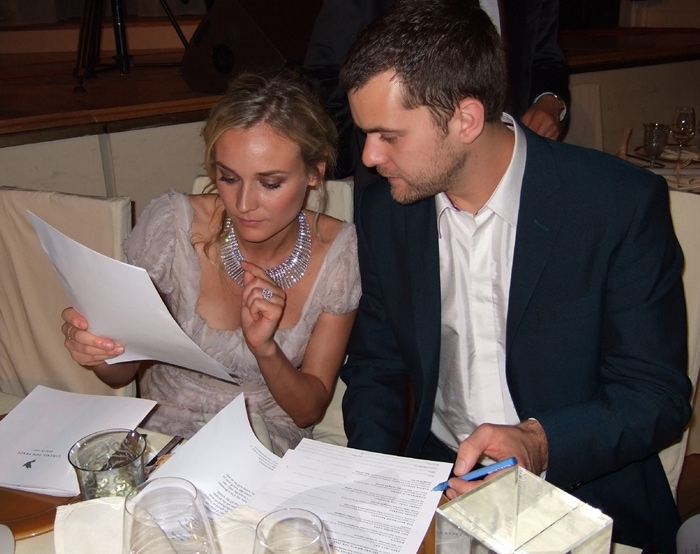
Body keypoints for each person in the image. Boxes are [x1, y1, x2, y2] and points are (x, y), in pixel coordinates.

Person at [338, 0, 692, 550]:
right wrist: (384, 482)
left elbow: (657, 396)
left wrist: (540, 443)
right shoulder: (387, 208)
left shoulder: (616, 205)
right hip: (440, 486)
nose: (368, 157)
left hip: (579, 495)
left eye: (388, 135)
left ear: (466, 119)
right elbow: (375, 366)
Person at [61, 70, 361, 456]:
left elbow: (308, 411)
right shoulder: (172, 227)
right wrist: (99, 350)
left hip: (261, 446)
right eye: (228, 177)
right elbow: (121, 370)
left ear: (315, 173)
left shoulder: (338, 252)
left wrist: (266, 348)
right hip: (158, 440)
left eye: (270, 183)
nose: (244, 204)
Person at [302, 0, 569, 180]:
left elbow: (545, 57)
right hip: (403, 185)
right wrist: (383, 144)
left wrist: (550, 101)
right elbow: (325, 78)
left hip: (510, 167)